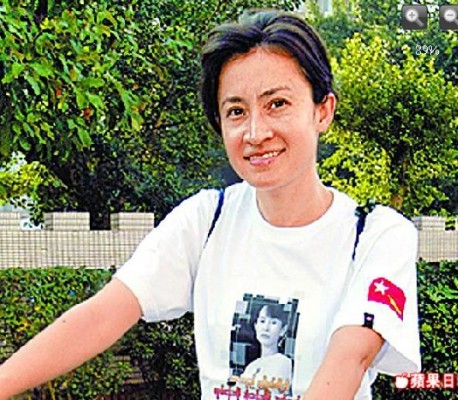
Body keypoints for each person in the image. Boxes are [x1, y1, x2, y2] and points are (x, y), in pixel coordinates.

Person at [0, 9, 421, 400]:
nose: (255, 132)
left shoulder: (376, 235)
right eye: (236, 111)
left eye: (277, 104)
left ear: (322, 110)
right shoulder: (206, 220)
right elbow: (101, 316)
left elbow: (350, 358)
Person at [241, 304, 293, 395]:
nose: (266, 328)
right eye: (262, 321)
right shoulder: (251, 367)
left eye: (273, 323)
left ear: (283, 330)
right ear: (256, 326)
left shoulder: (284, 363)